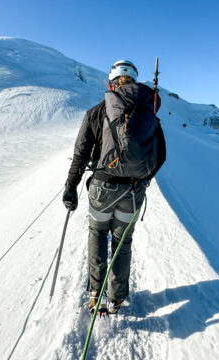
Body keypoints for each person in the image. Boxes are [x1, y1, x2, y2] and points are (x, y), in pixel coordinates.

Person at [62, 60, 166, 314]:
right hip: (133, 191)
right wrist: (142, 180)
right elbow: (160, 155)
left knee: (97, 234)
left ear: (111, 83)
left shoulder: (96, 112)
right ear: (134, 81)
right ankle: (116, 298)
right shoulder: (148, 111)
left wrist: (70, 189)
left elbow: (80, 155)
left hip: (102, 187)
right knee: (122, 241)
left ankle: (96, 293)